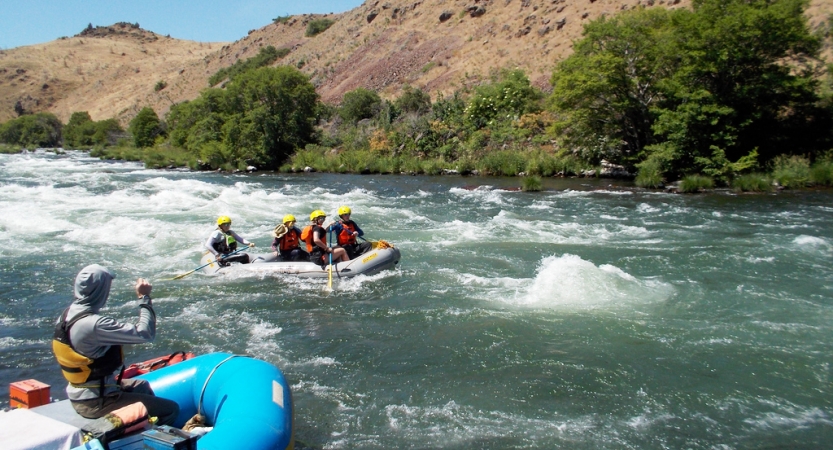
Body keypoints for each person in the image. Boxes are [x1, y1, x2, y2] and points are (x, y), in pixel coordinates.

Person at [52, 264, 179, 425]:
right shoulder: (94, 325)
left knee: (141, 385)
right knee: (171, 409)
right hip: (97, 401)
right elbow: (145, 334)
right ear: (101, 290)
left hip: (83, 393)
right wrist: (144, 298)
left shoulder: (67, 315)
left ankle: (144, 424)